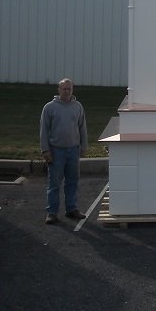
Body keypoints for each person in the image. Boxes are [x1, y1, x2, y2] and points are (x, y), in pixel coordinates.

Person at [40, 78, 88, 224]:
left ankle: (71, 208)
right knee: (54, 183)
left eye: (69, 89)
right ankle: (52, 212)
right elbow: (44, 130)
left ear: (72, 90)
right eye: (64, 89)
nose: (66, 91)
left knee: (73, 181)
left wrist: (84, 146)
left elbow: (82, 127)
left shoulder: (78, 106)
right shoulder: (49, 108)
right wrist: (45, 150)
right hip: (56, 151)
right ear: (58, 90)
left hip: (73, 150)